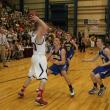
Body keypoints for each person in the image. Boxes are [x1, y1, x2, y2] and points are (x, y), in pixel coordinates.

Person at [18, 14, 49, 105]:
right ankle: (39, 98)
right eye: (41, 28)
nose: (44, 30)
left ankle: (22, 91)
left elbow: (45, 28)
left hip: (34, 57)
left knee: (30, 76)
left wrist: (37, 22)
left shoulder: (33, 34)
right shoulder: (39, 36)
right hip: (40, 58)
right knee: (44, 77)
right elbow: (46, 27)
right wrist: (38, 19)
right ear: (39, 28)